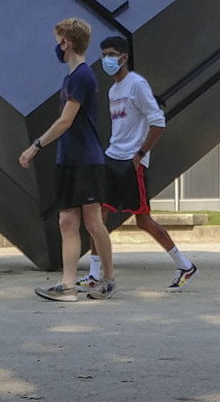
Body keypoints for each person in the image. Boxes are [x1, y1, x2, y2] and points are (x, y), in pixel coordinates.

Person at [80, 34, 197, 291]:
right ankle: (93, 274)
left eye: (111, 54)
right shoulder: (113, 90)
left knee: (142, 220)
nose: (106, 60)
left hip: (131, 163)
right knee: (96, 218)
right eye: (103, 55)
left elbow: (158, 122)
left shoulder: (137, 84)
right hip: (112, 157)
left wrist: (140, 154)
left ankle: (185, 265)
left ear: (124, 57)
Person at [19, 18, 116, 301]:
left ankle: (108, 280)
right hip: (69, 160)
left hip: (86, 160)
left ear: (67, 42)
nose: (56, 46)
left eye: (58, 40)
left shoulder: (83, 76)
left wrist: (34, 146)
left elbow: (65, 122)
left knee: (93, 222)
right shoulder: (70, 78)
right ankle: (68, 285)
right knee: (66, 222)